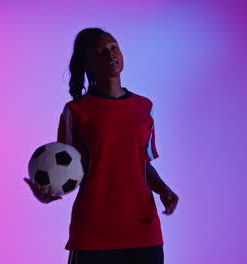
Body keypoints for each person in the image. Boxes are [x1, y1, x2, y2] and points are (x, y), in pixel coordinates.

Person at [24, 27, 179, 264]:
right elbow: (67, 170)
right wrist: (48, 192)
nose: (110, 54)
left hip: (144, 231)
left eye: (113, 47)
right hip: (94, 233)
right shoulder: (76, 112)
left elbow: (141, 162)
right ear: (86, 64)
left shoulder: (144, 107)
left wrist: (164, 189)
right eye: (99, 51)